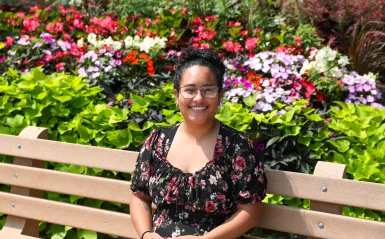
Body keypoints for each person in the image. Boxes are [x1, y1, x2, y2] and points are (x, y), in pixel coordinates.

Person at [130, 47, 267, 239]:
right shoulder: (158, 140)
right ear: (176, 95)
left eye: (208, 90)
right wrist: (147, 235)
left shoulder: (237, 146)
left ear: (220, 95)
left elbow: (250, 213)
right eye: (190, 90)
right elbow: (140, 197)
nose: (199, 98)